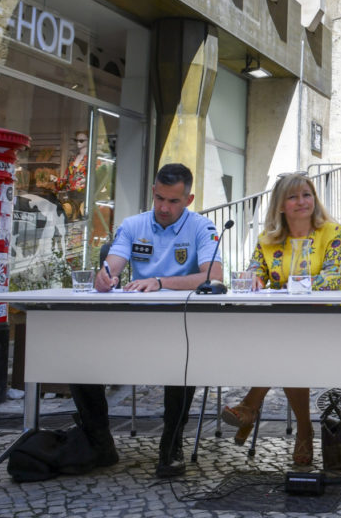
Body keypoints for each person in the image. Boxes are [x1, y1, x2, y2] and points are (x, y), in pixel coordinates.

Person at [75, 163, 223, 478]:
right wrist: (106, 276)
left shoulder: (202, 227)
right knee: (80, 360)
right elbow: (114, 262)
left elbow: (213, 276)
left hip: (181, 321)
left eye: (174, 201)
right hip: (135, 320)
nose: (164, 208)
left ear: (189, 199)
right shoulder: (133, 225)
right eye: (159, 199)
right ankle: (100, 443)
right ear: (152, 192)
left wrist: (160, 281)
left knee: (181, 361)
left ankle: (171, 444)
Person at [221, 173, 341, 465]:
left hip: (324, 318)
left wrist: (291, 285)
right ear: (280, 205)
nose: (302, 202)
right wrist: (251, 277)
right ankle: (304, 429)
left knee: (287, 342)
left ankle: (251, 405)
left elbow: (332, 278)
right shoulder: (268, 241)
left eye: (306, 194)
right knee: (289, 343)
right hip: (283, 322)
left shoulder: (332, 232)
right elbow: (254, 273)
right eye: (293, 197)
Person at [57, 130, 88, 220]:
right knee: (70, 218)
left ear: (88, 141)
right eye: (76, 140)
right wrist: (57, 181)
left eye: (81, 141)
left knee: (82, 219)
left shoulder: (91, 159)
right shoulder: (72, 159)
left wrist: (85, 181)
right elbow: (66, 177)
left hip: (83, 195)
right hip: (70, 195)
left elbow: (97, 178)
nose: (78, 143)